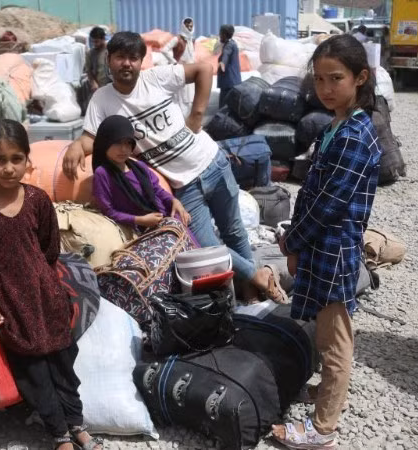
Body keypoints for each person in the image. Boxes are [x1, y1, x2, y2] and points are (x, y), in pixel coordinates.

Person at [61, 31, 287, 304]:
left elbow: (204, 69)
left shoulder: (156, 78)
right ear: (109, 60)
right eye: (120, 57)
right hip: (183, 185)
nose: (127, 64)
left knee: (234, 231)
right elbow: (93, 137)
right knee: (205, 245)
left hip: (212, 161)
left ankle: (251, 292)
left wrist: (197, 114)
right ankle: (259, 275)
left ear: (141, 61)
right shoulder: (102, 99)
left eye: (133, 57)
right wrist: (76, 146)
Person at [0, 120, 102, 450]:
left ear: (27, 159)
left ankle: (77, 423)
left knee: (64, 364)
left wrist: (47, 283)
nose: (8, 168)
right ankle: (59, 434)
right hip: (11, 303)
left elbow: (49, 250)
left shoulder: (37, 200)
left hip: (47, 297)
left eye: (16, 159)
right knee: (34, 372)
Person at [272, 34, 381, 449]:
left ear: (361, 78)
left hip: (333, 248)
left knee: (336, 342)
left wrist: (292, 242)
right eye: (319, 79)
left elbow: (330, 204)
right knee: (324, 330)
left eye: (336, 78)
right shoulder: (338, 125)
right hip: (321, 245)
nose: (326, 88)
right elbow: (313, 192)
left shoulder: (355, 135)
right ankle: (328, 396)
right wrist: (297, 241)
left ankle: (322, 429)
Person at [91, 114, 191, 234]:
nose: (123, 149)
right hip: (140, 231)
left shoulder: (139, 167)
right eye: (117, 143)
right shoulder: (103, 174)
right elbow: (108, 211)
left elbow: (157, 190)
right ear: (105, 143)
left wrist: (174, 201)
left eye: (128, 143)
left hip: (164, 218)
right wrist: (139, 220)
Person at [161, 17, 197, 115]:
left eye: (191, 26)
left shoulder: (191, 40)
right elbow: (164, 50)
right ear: (183, 26)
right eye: (187, 26)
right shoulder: (177, 39)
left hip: (191, 71)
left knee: (190, 98)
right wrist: (174, 62)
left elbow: (193, 56)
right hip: (181, 70)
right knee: (182, 98)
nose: (189, 28)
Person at [217, 24, 242, 108]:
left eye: (220, 33)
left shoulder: (229, 45)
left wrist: (222, 63)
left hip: (229, 84)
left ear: (224, 34)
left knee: (224, 109)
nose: (219, 36)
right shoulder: (232, 43)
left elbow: (226, 54)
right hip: (232, 82)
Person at [85, 27, 111, 93]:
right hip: (99, 87)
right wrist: (93, 83)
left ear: (103, 39)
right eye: (93, 41)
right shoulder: (90, 53)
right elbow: (89, 70)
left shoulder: (111, 50)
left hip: (112, 86)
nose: (94, 44)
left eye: (97, 41)